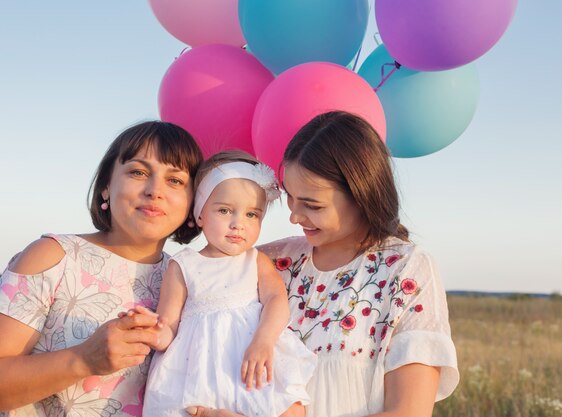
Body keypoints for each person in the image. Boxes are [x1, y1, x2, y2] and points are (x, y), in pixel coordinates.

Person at [187, 111, 459, 417]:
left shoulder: (405, 269)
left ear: (362, 194)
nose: (294, 216)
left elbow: (408, 412)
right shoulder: (270, 261)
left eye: (312, 205)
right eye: (290, 196)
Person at [0, 120, 204, 416]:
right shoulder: (52, 258)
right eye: (138, 172)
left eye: (175, 180)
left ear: (193, 203)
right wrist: (84, 359)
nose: (155, 190)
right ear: (107, 186)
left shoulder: (193, 282)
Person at [141, 151, 316, 417]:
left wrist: (264, 340)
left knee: (289, 408)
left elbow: (277, 301)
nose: (238, 224)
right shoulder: (184, 264)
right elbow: (169, 327)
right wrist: (151, 331)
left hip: (252, 358)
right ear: (200, 215)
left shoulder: (255, 260)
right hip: (198, 368)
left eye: (251, 215)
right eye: (224, 211)